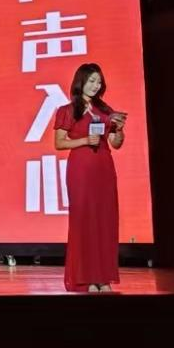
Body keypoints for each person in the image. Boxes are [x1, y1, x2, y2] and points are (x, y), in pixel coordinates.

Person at [53, 62, 127, 293]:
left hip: (103, 168)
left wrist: (119, 129)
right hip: (81, 170)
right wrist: (85, 140)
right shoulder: (67, 110)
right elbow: (59, 143)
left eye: (99, 82)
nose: (96, 85)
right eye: (92, 81)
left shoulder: (105, 110)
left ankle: (103, 278)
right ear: (81, 82)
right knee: (84, 220)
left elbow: (115, 143)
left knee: (105, 221)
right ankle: (86, 278)